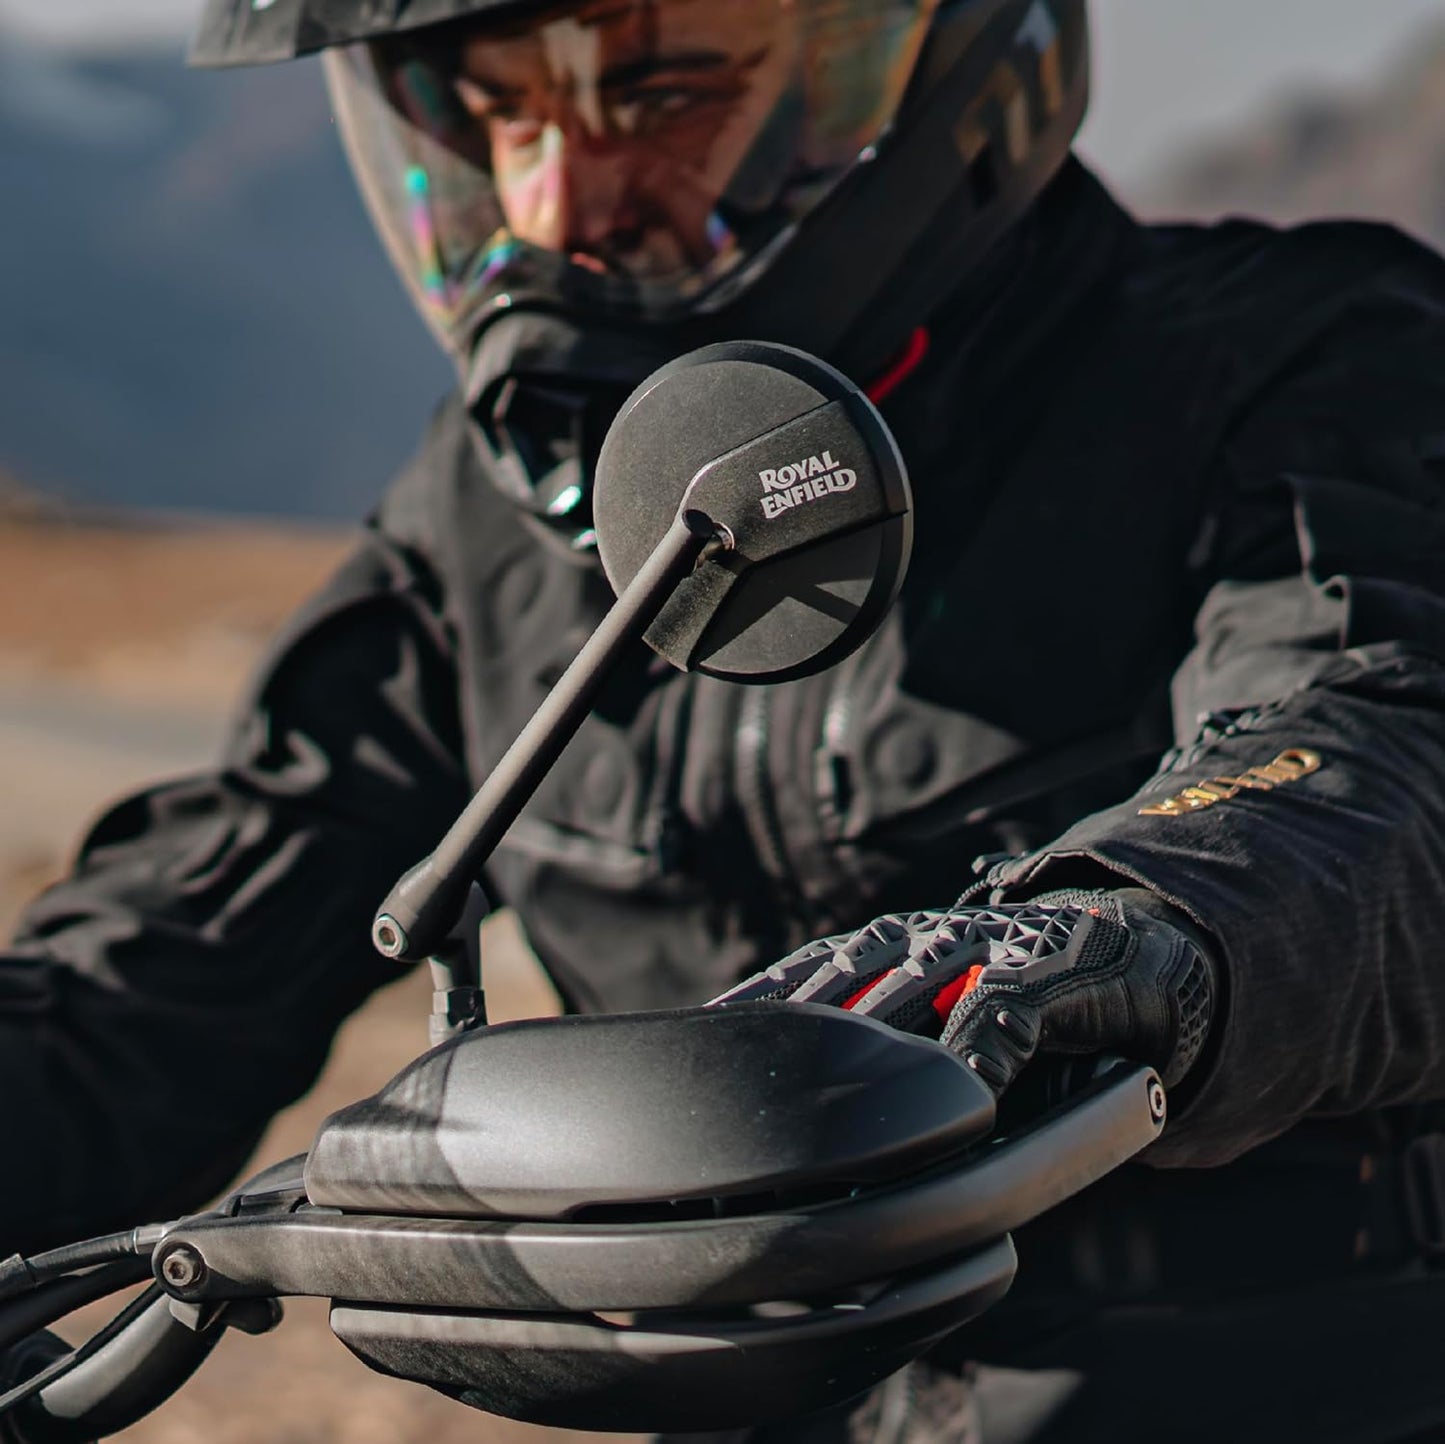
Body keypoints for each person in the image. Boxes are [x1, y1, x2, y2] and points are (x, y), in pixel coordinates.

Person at [7, 0, 1445, 1438]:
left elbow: (1375, 746)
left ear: (939, 65)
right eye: (500, 116)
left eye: (664, 95)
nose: (558, 205)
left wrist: (1133, 931)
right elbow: (178, 957)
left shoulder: (1290, 359)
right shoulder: (488, 523)